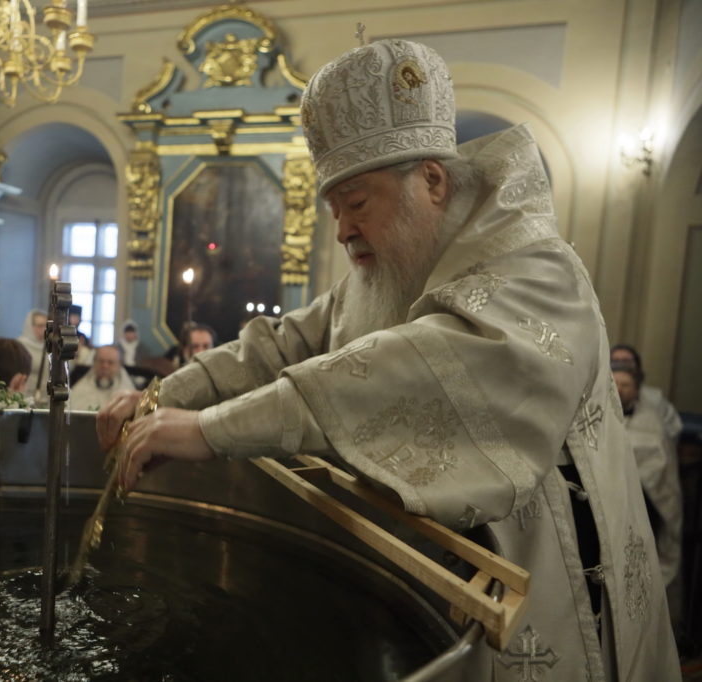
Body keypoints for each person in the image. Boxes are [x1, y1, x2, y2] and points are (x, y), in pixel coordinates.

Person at [97, 38, 678, 680]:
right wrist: (163, 396)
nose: (342, 228)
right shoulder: (386, 275)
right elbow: (283, 342)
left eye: (358, 202)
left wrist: (209, 432)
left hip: (555, 591)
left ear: (430, 180)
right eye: (334, 207)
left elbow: (417, 366)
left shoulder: (536, 269)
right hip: (445, 586)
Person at [612, 365, 682, 593]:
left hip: (644, 501)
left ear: (637, 390)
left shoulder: (651, 421)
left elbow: (661, 467)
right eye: (616, 384)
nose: (620, 390)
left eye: (626, 385)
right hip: (611, 499)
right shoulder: (597, 413)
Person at [611, 344, 682, 444]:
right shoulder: (594, 397)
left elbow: (672, 431)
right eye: (616, 361)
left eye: (626, 361)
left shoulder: (655, 398)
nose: (621, 366)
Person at [70, 345, 135, 411]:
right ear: (94, 363)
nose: (105, 366)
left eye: (110, 362)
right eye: (101, 361)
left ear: (119, 365)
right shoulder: (81, 388)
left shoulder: (126, 390)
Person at [17, 309, 48, 405]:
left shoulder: (50, 346)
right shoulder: (20, 345)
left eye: (46, 326)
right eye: (40, 326)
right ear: (30, 326)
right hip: (26, 397)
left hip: (46, 398)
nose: (44, 329)